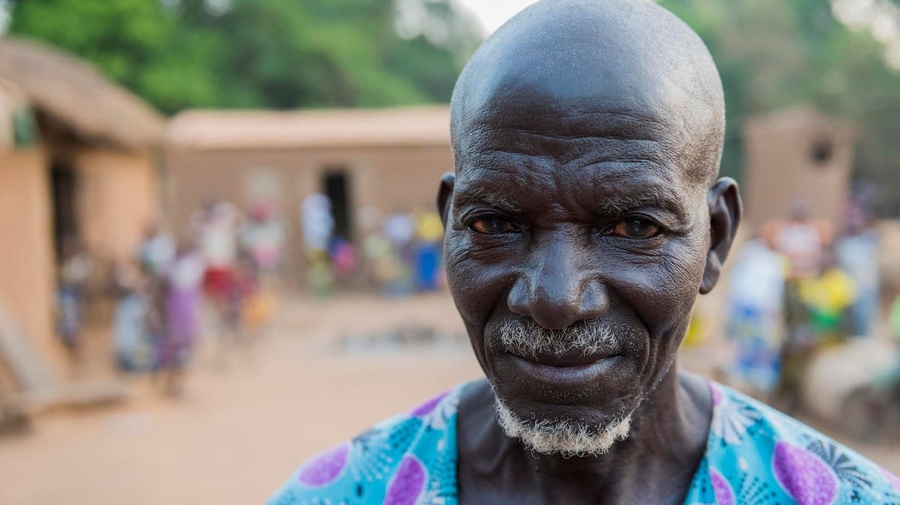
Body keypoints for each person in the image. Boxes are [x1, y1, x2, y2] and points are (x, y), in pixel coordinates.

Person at [270, 1, 900, 503]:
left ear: (715, 239)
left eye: (634, 228)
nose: (554, 299)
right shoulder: (340, 493)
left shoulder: (836, 496)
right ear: (449, 225)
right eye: (494, 223)